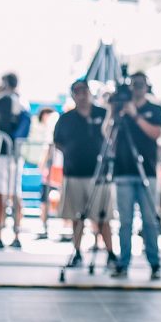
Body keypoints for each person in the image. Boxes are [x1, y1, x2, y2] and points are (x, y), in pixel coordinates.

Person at [108, 72, 161, 280]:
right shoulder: (121, 110)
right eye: (134, 84)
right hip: (123, 170)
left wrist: (135, 116)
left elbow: (156, 133)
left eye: (141, 84)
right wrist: (113, 111)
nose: (138, 88)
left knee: (150, 221)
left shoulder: (155, 109)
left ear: (147, 86)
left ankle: (155, 263)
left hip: (147, 171)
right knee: (125, 222)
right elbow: (107, 135)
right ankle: (123, 263)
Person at [54, 80, 115, 268]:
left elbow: (112, 135)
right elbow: (58, 142)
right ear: (73, 95)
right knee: (76, 216)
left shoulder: (102, 114)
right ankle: (77, 252)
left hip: (99, 175)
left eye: (84, 91)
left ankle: (111, 253)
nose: (82, 95)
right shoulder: (66, 119)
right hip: (74, 173)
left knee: (103, 217)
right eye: (77, 92)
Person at [0, 73, 26, 249]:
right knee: (15, 193)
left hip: (2, 151)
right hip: (15, 154)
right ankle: (16, 233)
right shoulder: (21, 101)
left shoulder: (4, 99)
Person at [29, 107, 59, 240]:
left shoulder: (53, 124)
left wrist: (42, 164)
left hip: (53, 169)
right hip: (56, 168)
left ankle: (45, 226)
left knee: (46, 198)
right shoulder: (54, 126)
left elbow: (48, 147)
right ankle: (46, 226)